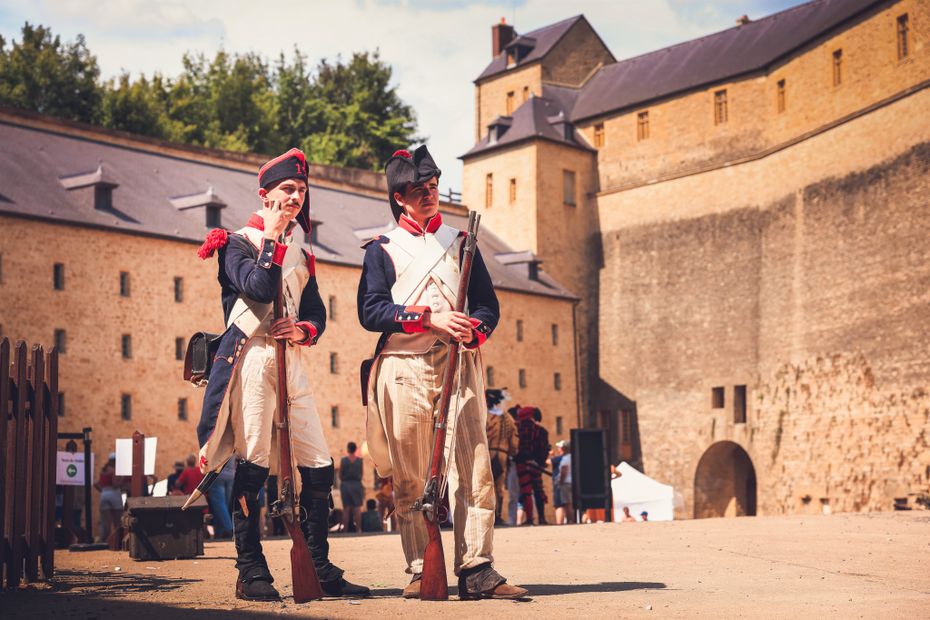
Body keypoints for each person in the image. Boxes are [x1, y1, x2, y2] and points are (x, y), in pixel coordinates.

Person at [194, 147, 369, 601]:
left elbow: (315, 311)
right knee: (252, 465)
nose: (296, 196)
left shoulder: (301, 251)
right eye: (288, 189)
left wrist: (304, 328)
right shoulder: (234, 243)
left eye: (301, 190)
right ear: (265, 194)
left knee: (319, 465)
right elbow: (256, 287)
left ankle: (319, 566)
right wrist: (271, 238)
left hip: (292, 358)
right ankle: (250, 569)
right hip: (251, 358)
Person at [358, 145, 527, 600]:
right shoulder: (382, 249)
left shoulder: (461, 242)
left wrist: (476, 331)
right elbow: (370, 311)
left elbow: (488, 305)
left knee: (474, 466)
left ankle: (477, 568)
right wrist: (427, 318)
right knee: (412, 476)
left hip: (460, 362)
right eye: (420, 190)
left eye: (433, 187)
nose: (430, 196)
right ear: (400, 198)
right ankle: (419, 568)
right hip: (404, 365)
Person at [485, 389, 518, 526]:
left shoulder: (485, 416)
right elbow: (514, 440)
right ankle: (497, 515)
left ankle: (489, 515)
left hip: (488, 453)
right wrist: (512, 452)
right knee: (499, 487)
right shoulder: (508, 418)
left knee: (486, 485)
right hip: (503, 454)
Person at [515, 407, 548, 525]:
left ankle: (530, 519)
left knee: (526, 492)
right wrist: (540, 463)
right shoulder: (541, 431)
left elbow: (515, 448)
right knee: (539, 490)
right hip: (536, 465)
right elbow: (544, 450)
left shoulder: (517, 429)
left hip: (521, 465)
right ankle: (542, 518)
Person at [95, 453, 123, 542]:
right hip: (114, 495)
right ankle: (117, 541)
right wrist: (123, 477)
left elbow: (96, 484)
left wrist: (103, 492)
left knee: (105, 523)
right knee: (117, 521)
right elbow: (115, 485)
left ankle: (104, 541)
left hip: (104, 495)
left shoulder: (103, 471)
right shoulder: (114, 470)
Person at [207, 458, 236, 539]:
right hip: (230, 475)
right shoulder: (232, 444)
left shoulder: (214, 444)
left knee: (219, 505)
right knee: (223, 507)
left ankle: (229, 529)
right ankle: (219, 533)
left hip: (217, 475)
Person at [339, 442, 364, 533]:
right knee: (357, 508)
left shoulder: (343, 460)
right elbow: (361, 474)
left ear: (348, 449)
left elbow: (340, 475)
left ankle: (345, 530)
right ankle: (358, 529)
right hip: (357, 485)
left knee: (346, 509)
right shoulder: (360, 460)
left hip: (346, 485)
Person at [555, 441, 573, 524]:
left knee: (567, 503)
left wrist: (561, 482)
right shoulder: (573, 457)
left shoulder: (566, 458)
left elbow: (564, 472)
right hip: (572, 482)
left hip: (566, 483)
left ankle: (570, 520)